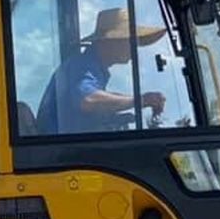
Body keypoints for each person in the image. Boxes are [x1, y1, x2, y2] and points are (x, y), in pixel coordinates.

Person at [35, 8, 167, 134]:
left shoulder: (92, 69)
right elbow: (88, 99)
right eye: (130, 41)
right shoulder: (81, 65)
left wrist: (144, 99)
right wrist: (140, 101)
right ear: (108, 41)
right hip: (63, 152)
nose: (134, 48)